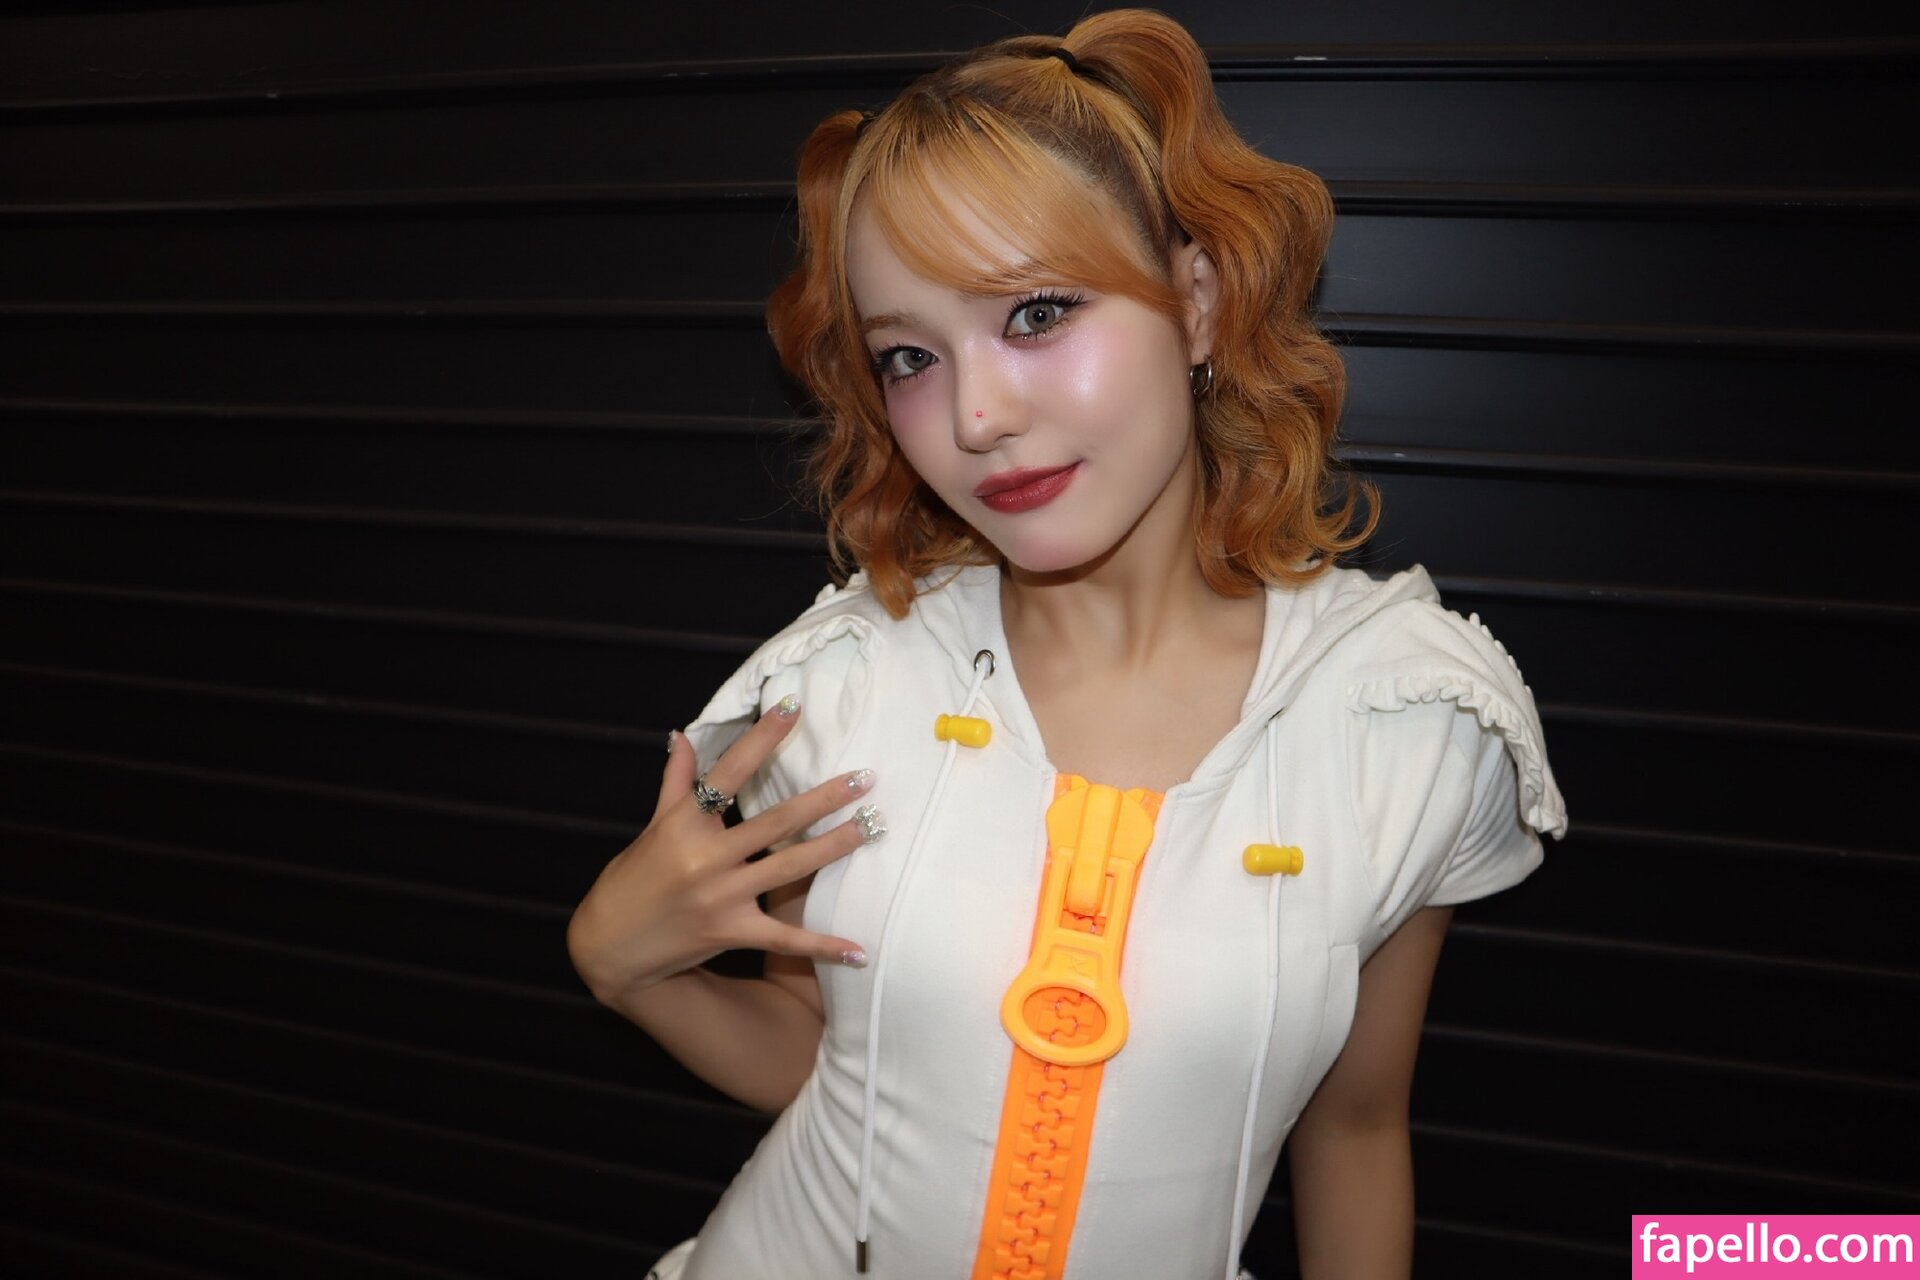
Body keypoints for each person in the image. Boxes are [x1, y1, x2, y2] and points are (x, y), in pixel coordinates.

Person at [567, 10, 1566, 1279]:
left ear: (1197, 301)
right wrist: (624, 965)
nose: (976, 416)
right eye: (910, 356)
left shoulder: (1402, 725)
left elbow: (1357, 1125)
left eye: (1037, 311)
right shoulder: (847, 685)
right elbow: (838, 1061)